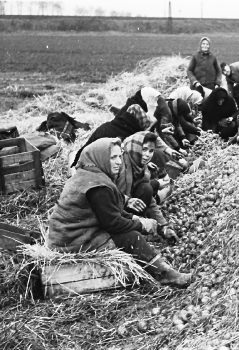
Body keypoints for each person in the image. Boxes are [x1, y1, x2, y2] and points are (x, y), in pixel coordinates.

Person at [47, 138, 190, 287]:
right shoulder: (98, 186)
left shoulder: (88, 175)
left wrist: (141, 220)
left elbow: (111, 211)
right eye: (112, 157)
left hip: (67, 236)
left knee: (130, 232)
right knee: (131, 238)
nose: (118, 162)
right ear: (100, 158)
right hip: (73, 241)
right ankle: (165, 275)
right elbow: (113, 224)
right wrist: (141, 225)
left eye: (119, 156)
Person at [72, 87, 184, 167]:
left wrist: (169, 149)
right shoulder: (123, 137)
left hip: (83, 159)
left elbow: (149, 135)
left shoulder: (117, 124)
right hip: (91, 165)